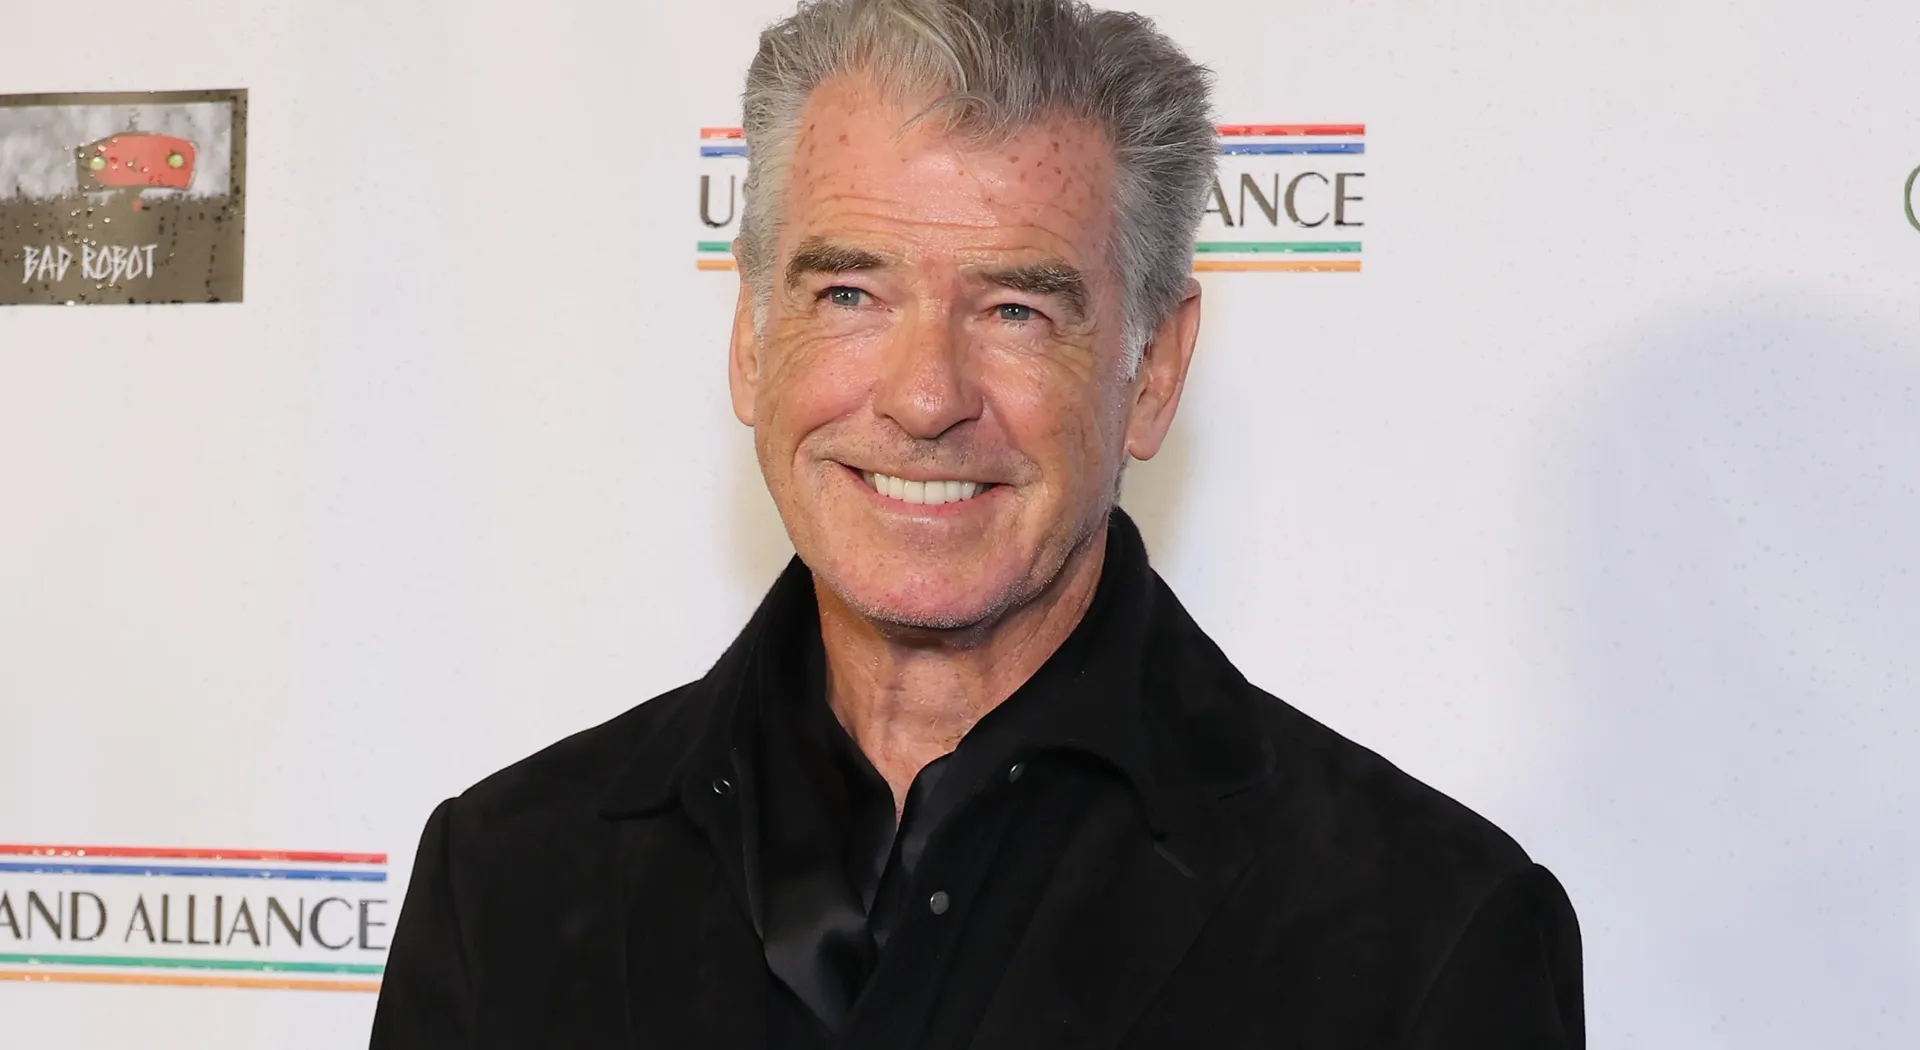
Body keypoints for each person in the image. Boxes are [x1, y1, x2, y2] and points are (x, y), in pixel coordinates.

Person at [369, 0, 1584, 1046]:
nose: (926, 396)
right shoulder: (507, 882)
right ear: (751, 344)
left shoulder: (1424, 936)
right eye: (849, 293)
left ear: (1152, 372)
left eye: (1015, 309)